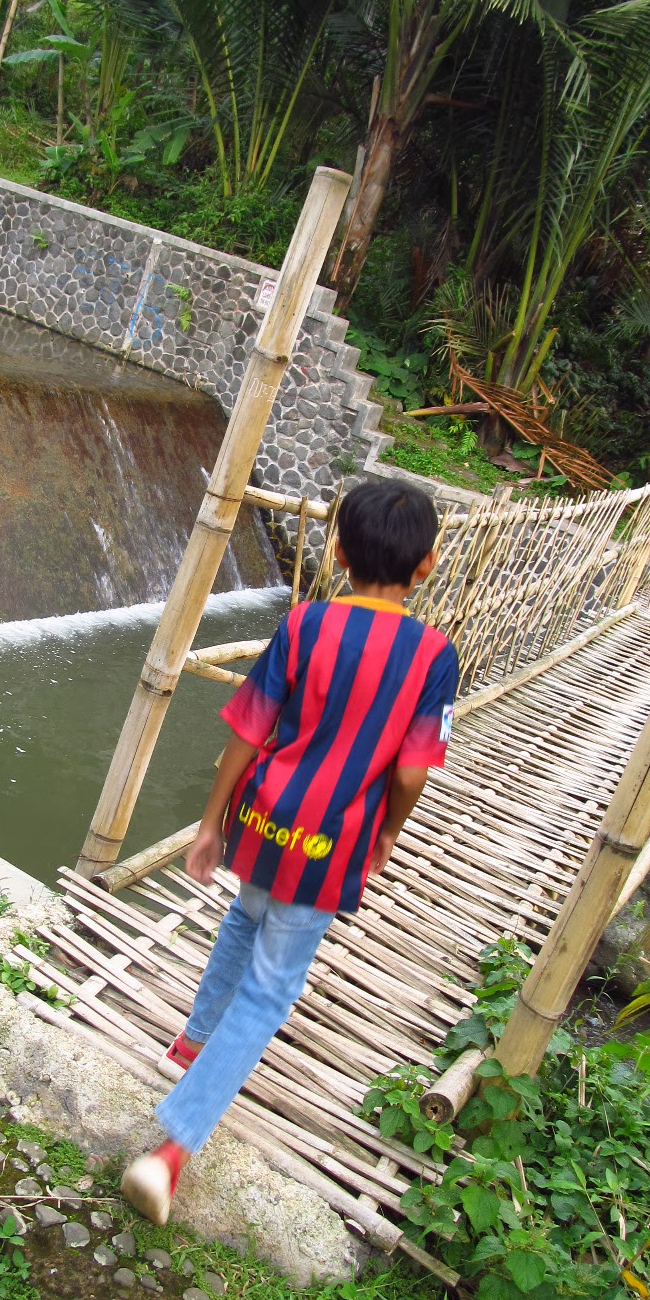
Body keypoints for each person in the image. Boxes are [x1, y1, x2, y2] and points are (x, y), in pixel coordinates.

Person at [121, 479, 458, 1225]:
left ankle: (191, 1042)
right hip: (329, 842)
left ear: (337, 554)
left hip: (264, 815)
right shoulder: (435, 656)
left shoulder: (305, 624)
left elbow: (249, 723)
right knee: (271, 989)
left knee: (245, 916)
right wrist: (391, 831)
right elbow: (409, 768)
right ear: (427, 565)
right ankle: (171, 1150)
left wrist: (212, 823)